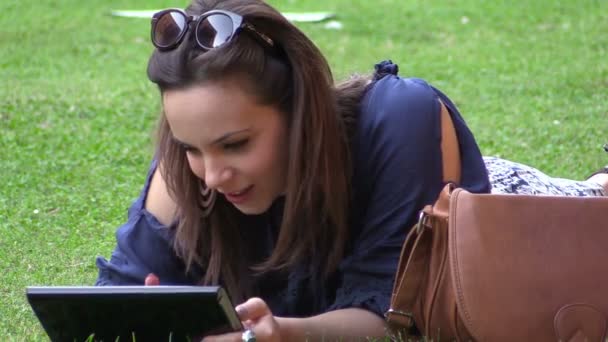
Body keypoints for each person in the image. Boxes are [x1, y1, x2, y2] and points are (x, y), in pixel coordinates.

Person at [95, 0, 608, 340]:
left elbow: (395, 314)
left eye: (236, 144)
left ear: (300, 110)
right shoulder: (188, 174)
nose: (211, 175)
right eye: (191, 148)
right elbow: (112, 302)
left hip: (499, 210)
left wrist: (289, 333)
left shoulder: (397, 119)